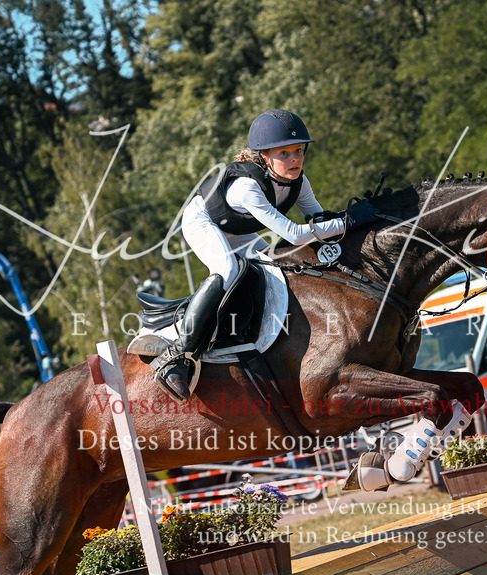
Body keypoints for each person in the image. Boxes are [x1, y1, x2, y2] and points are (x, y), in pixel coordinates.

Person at [152, 109, 376, 399]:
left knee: (276, 265)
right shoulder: (247, 187)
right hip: (203, 222)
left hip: (238, 229)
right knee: (228, 269)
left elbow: (318, 219)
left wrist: (351, 220)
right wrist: (350, 221)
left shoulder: (299, 182)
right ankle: (177, 355)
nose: (294, 159)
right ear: (265, 156)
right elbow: (294, 234)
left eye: (298, 150)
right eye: (284, 153)